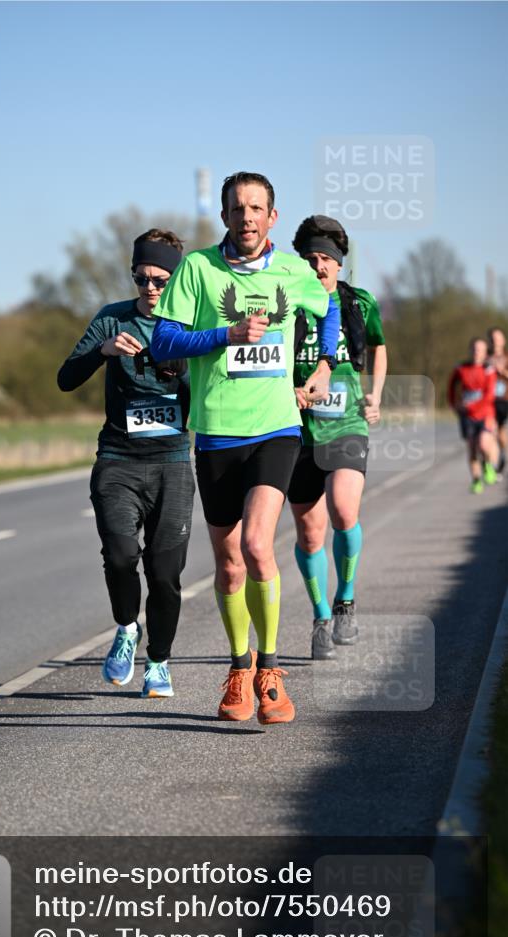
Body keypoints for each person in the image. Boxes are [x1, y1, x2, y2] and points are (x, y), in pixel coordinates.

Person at [151, 172, 340, 725]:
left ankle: (271, 672)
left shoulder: (294, 270)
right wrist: (223, 336)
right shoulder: (198, 269)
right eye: (238, 208)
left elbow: (326, 306)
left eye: (257, 208)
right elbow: (164, 340)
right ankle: (239, 666)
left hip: (276, 427)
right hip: (215, 433)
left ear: (272, 217)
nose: (247, 217)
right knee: (229, 565)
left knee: (259, 545)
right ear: (226, 217)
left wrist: (324, 362)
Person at [57, 229, 194, 697]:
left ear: (178, 279)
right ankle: (126, 629)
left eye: (161, 280)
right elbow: (65, 379)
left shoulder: (195, 322)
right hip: (118, 459)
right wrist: (103, 351)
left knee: (165, 574)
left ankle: (159, 662)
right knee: (119, 557)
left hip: (173, 462)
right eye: (142, 279)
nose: (151, 289)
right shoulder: (112, 319)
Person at [286, 215, 387, 660]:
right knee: (310, 534)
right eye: (310, 258)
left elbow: (379, 346)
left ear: (340, 264)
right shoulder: (285, 303)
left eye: (326, 258)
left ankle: (346, 599)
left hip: (346, 420)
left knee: (345, 510)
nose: (319, 266)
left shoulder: (359, 302)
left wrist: (375, 395)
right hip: (297, 426)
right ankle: (321, 615)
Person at [448, 337, 498, 493]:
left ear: (485, 353)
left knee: (483, 444)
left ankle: (487, 464)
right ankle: (476, 480)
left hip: (485, 413)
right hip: (467, 416)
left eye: (480, 350)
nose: (477, 352)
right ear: (470, 350)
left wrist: (472, 406)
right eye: (475, 349)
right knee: (472, 448)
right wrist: (454, 405)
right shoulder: (461, 368)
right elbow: (451, 388)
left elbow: (489, 395)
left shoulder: (488, 370)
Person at [487, 326, 508, 473]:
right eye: (493, 339)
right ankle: (492, 464)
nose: (495, 342)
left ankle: (503, 454)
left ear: (503, 340)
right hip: (488, 401)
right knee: (491, 430)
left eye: (498, 339)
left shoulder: (507, 358)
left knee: (501, 431)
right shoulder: (485, 359)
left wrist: (503, 371)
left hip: (505, 400)